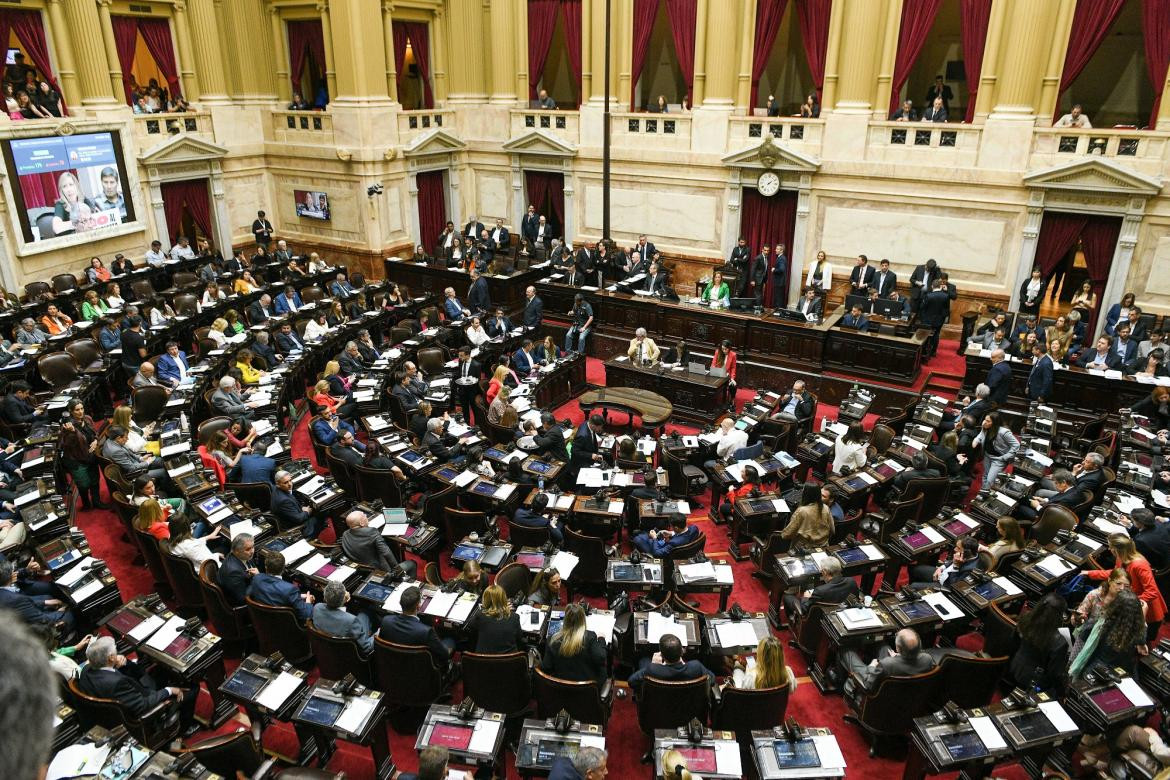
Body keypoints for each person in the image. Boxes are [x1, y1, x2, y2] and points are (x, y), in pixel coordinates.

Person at [79, 635, 198, 737]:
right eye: (115, 649)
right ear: (110, 657)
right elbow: (142, 705)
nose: (117, 650)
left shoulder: (86, 670)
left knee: (159, 671)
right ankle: (184, 729)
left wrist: (115, 662)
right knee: (192, 688)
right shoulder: (116, 683)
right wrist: (169, 690)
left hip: (113, 708)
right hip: (141, 713)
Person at [1085, 533, 1166, 642]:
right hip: (1130, 605)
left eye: (1111, 547)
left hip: (1147, 610)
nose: (1109, 549)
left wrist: (1130, 602)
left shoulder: (1140, 565)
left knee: (1143, 641)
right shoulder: (1120, 559)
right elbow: (1115, 574)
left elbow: (1152, 592)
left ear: (1117, 550)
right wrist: (1090, 573)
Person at [1069, 589, 1145, 681]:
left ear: (1114, 606)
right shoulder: (1141, 630)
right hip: (1124, 674)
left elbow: (1078, 646)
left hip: (1096, 673)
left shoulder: (1099, 626)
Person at [380, 585, 455, 668]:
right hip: (420, 671)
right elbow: (444, 654)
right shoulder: (426, 631)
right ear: (418, 606)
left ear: (400, 603)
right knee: (450, 640)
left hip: (392, 666)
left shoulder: (386, 621)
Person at [840, 628, 935, 693]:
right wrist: (899, 656)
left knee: (847, 651)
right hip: (907, 693)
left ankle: (838, 681)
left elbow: (868, 685)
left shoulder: (886, 664)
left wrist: (871, 667)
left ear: (898, 648)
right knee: (883, 646)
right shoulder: (928, 659)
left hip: (877, 693)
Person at [543, 603, 608, 683]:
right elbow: (601, 657)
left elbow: (546, 667)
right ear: (583, 620)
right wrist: (601, 639)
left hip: (561, 688)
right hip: (587, 689)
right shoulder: (590, 637)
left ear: (565, 619)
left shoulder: (552, 640)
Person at [60, 399, 104, 510]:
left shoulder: (87, 418)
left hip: (91, 456)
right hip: (76, 459)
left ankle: (97, 501)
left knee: (95, 480)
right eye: (77, 410)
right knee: (83, 484)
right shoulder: (67, 427)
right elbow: (68, 444)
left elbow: (95, 433)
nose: (80, 412)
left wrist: (95, 440)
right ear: (71, 411)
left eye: (82, 408)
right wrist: (73, 431)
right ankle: (86, 504)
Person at [783, 556, 859, 618]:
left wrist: (806, 597)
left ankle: (794, 620)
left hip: (820, 617)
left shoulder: (820, 591)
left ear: (825, 572)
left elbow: (804, 609)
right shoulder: (851, 581)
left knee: (787, 596)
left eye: (821, 571)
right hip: (844, 613)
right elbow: (856, 599)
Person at [312, 580, 375, 655]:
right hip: (348, 655)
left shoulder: (317, 607)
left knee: (364, 615)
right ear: (343, 599)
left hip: (326, 650)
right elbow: (366, 648)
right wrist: (377, 635)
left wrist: (342, 600)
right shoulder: (351, 621)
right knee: (365, 613)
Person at [248, 551, 314, 621]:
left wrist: (298, 596)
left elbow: (272, 592)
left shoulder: (256, 578)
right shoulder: (290, 589)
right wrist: (308, 601)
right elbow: (306, 615)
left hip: (262, 621)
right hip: (286, 626)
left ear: (266, 566)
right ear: (283, 568)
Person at [728, 635, 797, 692]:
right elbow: (792, 690)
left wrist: (748, 672)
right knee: (749, 665)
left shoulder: (751, 676)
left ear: (761, 655)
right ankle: (738, 661)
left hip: (752, 707)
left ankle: (736, 661)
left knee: (738, 669)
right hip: (775, 707)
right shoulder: (788, 673)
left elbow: (743, 692)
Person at [467, 584, 523, 653]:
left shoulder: (480, 615)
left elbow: (470, 627)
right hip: (509, 661)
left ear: (485, 600)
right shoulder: (514, 617)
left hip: (482, 660)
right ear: (504, 598)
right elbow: (519, 637)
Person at [217, 533, 256, 607]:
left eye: (253, 547)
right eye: (248, 549)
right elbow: (242, 599)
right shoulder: (233, 572)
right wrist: (257, 578)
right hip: (242, 607)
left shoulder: (241, 555)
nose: (252, 551)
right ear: (237, 551)